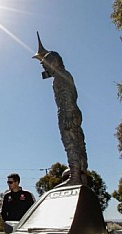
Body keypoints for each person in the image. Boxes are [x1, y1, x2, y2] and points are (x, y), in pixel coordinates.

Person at [33, 32, 88, 186]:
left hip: (67, 113)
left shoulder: (60, 78)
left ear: (54, 63)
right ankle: (81, 174)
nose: (45, 67)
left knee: (70, 143)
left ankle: (75, 176)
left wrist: (68, 115)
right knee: (79, 143)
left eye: (46, 64)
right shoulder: (64, 75)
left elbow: (67, 95)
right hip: (72, 112)